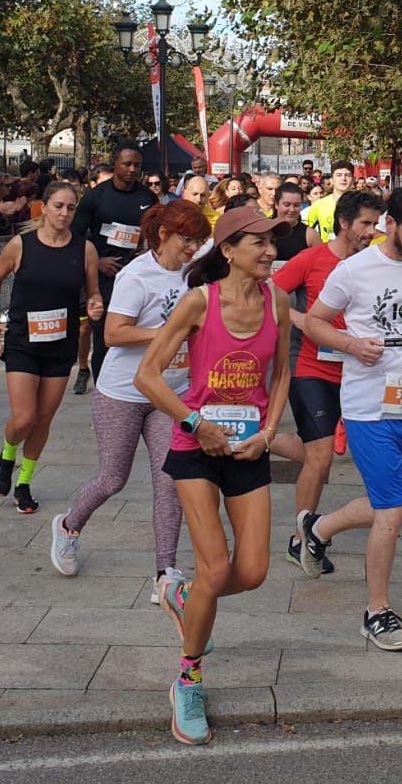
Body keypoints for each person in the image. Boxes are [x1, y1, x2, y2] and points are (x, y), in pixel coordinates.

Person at [131, 205, 292, 746]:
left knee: (252, 571)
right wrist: (196, 423)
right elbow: (147, 375)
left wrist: (269, 433)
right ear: (227, 250)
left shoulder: (279, 301)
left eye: (273, 242)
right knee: (215, 566)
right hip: (195, 447)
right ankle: (188, 679)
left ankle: (185, 598)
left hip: (248, 447)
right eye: (259, 243)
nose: (270, 251)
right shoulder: (199, 300)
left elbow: (282, 371)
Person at [293, 186, 402, 652]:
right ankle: (377, 612)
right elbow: (316, 320)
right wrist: (349, 344)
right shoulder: (354, 270)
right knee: (390, 513)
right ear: (390, 223)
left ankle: (317, 529)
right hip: (367, 407)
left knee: (395, 502)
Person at [49, 200, 212, 602]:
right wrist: (169, 333)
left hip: (169, 394)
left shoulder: (198, 275)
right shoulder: (137, 275)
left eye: (198, 240)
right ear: (163, 234)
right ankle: (69, 526)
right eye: (186, 239)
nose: (192, 248)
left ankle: (165, 572)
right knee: (113, 479)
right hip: (122, 393)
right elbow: (114, 334)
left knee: (169, 482)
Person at [272, 189, 383, 571]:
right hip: (310, 367)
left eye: (375, 223)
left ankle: (264, 439)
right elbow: (272, 292)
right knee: (318, 458)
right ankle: (300, 540)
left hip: (357, 372)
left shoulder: (374, 262)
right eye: (365, 224)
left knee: (321, 460)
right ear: (344, 224)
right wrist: (306, 322)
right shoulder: (312, 258)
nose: (372, 231)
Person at [0, 181, 105, 513]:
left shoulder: (85, 249)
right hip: (23, 342)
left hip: (60, 344)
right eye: (58, 206)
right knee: (24, 418)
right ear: (44, 207)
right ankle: (7, 456)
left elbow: (93, 293)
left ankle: (24, 482)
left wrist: (94, 305)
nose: (64, 213)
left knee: (44, 418)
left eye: (70, 208)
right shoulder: (21, 245)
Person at [70, 143, 158, 393]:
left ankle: (133, 391)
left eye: (137, 165)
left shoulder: (146, 197)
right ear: (115, 164)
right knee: (104, 340)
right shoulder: (96, 197)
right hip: (103, 278)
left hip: (137, 276)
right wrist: (96, 261)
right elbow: (74, 236)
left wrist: (147, 252)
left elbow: (157, 233)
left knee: (134, 338)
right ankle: (103, 394)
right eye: (127, 164)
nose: (132, 169)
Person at [304, 159, 356, 244]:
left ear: (353, 179)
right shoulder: (318, 205)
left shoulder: (362, 204)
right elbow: (307, 234)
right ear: (331, 180)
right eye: (339, 175)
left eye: (347, 175)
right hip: (326, 252)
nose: (343, 178)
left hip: (356, 254)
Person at [270, 183, 309, 264]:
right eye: (287, 205)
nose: (292, 209)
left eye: (297, 205)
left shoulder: (310, 235)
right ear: (276, 204)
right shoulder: (264, 230)